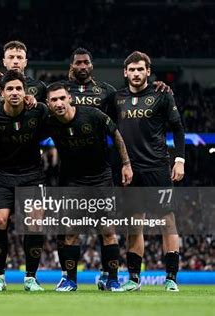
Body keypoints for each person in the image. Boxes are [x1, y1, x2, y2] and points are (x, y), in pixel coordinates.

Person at [54, 47, 172, 290]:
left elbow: (118, 124)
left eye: (87, 62)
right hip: (70, 173)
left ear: (92, 65)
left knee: (107, 227)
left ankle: (109, 275)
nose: (83, 66)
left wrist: (158, 87)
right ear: (72, 66)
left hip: (102, 170)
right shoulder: (59, 92)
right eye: (78, 63)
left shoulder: (108, 93)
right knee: (69, 229)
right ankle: (68, 277)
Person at [44, 83, 133, 291]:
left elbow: (117, 135)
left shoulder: (93, 115)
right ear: (48, 104)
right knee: (71, 232)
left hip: (101, 180)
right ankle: (70, 281)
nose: (58, 103)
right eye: (54, 100)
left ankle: (112, 280)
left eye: (61, 98)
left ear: (70, 99)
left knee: (108, 231)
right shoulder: (48, 122)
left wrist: (127, 164)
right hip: (73, 183)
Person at [113, 51, 185, 292]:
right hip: (130, 170)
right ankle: (134, 280)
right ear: (125, 72)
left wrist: (180, 159)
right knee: (134, 224)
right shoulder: (117, 98)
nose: (135, 73)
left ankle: (171, 278)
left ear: (148, 71)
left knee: (167, 221)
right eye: (131, 70)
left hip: (157, 169)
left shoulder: (162, 95)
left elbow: (178, 128)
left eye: (140, 69)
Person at [0, 70, 48, 291]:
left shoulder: (38, 111)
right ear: (2, 93)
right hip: (1, 176)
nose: (14, 92)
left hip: (32, 176)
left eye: (18, 88)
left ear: (26, 92)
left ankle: (30, 278)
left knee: (34, 222)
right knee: (0, 221)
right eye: (10, 89)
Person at [0, 40, 47, 105]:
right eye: (11, 57)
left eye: (19, 57)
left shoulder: (40, 87)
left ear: (25, 62)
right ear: (4, 62)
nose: (15, 61)